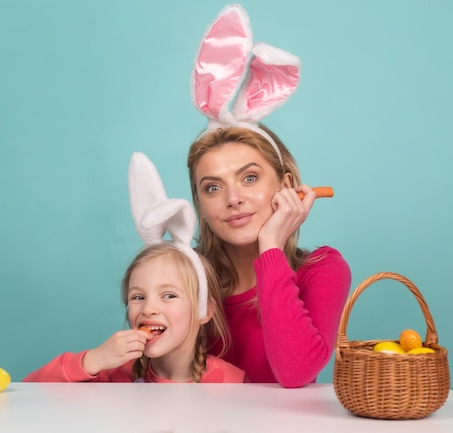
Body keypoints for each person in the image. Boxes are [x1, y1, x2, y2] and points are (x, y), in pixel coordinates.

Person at [185, 4, 351, 388]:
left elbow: (295, 374)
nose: (232, 198)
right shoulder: (185, 272)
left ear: (287, 184)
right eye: (212, 187)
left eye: (249, 178)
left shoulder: (323, 268)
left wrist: (271, 246)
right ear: (200, 204)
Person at [23, 153, 245, 383]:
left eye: (168, 295)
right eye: (138, 296)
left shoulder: (229, 382)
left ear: (204, 311)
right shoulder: (116, 372)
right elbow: (32, 390)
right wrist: (93, 360)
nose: (149, 308)